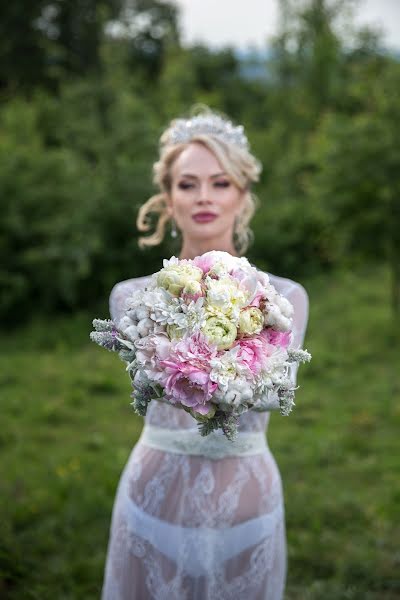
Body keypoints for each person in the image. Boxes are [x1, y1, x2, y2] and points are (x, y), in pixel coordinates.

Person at [101, 109, 309, 600]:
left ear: (242, 195)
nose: (204, 197)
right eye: (188, 184)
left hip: (248, 500)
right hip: (154, 494)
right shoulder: (132, 298)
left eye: (220, 183)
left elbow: (273, 395)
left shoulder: (284, 299)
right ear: (168, 199)